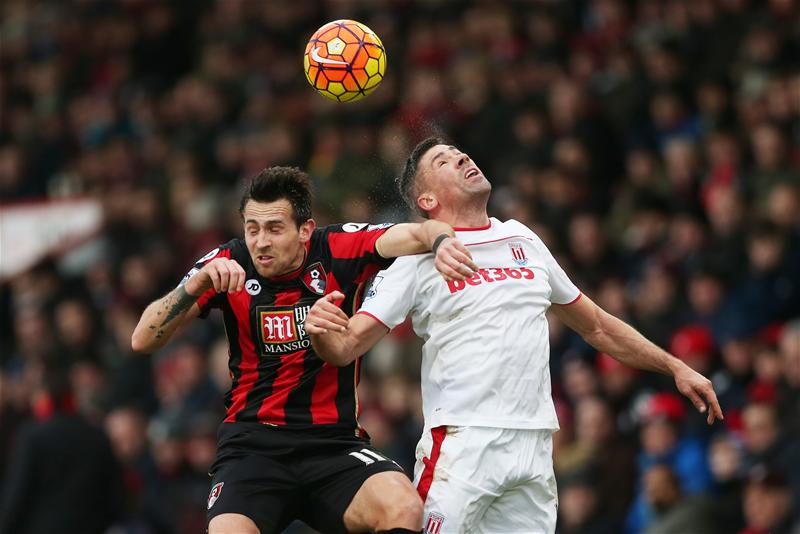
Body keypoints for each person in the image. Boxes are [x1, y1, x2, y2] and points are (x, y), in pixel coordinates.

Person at [305, 138, 724, 533]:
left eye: (460, 152)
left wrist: (674, 366)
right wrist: (321, 326)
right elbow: (346, 347)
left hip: (535, 444)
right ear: (427, 201)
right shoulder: (417, 258)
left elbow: (596, 325)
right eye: (443, 161)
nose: (462, 158)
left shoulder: (523, 238)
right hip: (463, 443)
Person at [131, 166, 478, 534]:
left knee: (404, 507)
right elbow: (143, 339)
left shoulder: (337, 247)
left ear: (305, 230)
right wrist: (194, 285)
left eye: (274, 229)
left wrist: (442, 243)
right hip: (252, 448)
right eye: (252, 229)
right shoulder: (228, 262)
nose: (261, 242)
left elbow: (423, 231)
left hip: (333, 445)